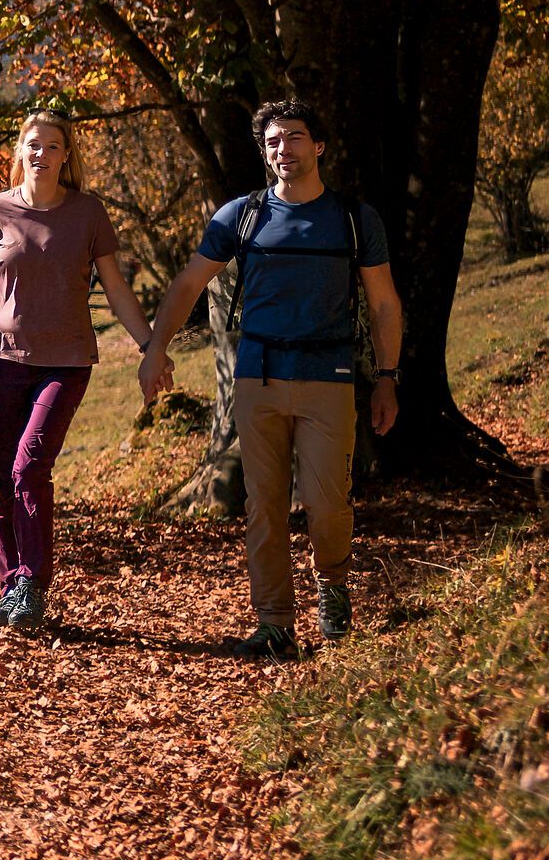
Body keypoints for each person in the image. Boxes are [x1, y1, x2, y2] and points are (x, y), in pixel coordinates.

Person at [140, 99, 404, 658]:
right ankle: (275, 623)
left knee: (327, 501)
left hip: (329, 375)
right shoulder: (242, 215)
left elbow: (383, 303)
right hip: (256, 377)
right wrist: (155, 348)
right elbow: (189, 283)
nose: (284, 149)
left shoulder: (355, 218)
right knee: (263, 505)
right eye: (273, 142)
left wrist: (387, 377)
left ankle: (332, 585)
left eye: (295, 138)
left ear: (320, 145)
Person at [0, 111, 152, 632]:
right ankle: (12, 587)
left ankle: (32, 581)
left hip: (67, 362)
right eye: (34, 144)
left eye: (53, 146)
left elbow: (116, 287)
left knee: (30, 466)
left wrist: (149, 345)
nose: (42, 154)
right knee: (4, 477)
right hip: (1, 362)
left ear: (65, 156)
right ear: (20, 151)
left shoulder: (88, 214)